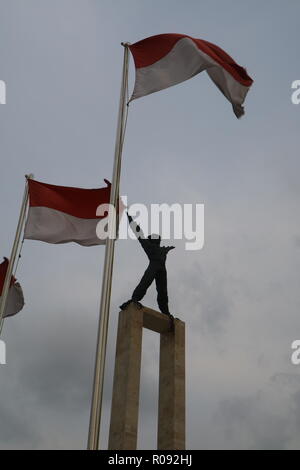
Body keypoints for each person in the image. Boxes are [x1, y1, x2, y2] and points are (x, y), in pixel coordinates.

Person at [120, 212, 175, 316]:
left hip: (162, 270)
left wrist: (169, 248)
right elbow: (138, 232)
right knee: (145, 283)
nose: (158, 240)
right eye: (157, 238)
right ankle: (135, 299)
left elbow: (165, 249)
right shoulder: (148, 246)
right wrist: (130, 219)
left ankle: (165, 311)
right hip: (153, 267)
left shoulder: (162, 249)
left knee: (163, 291)